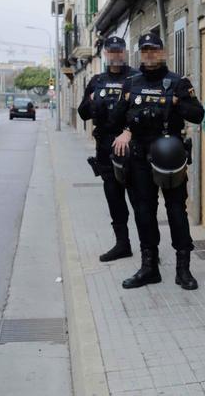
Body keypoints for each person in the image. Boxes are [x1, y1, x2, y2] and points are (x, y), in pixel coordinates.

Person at [111, 32, 204, 290]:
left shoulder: (177, 82)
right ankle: (149, 267)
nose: (149, 54)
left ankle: (183, 269)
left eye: (154, 49)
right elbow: (115, 120)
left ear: (162, 52)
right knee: (143, 211)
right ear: (140, 54)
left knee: (176, 211)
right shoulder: (131, 82)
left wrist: (174, 102)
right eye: (145, 50)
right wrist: (125, 122)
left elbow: (197, 115)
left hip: (169, 155)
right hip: (139, 156)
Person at [77, 36, 137, 262]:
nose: (116, 55)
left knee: (141, 200)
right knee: (114, 198)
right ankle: (123, 245)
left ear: (125, 52)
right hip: (105, 147)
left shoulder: (136, 78)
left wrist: (129, 130)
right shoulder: (96, 80)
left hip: (130, 147)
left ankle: (149, 249)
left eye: (119, 51)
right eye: (111, 52)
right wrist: (92, 100)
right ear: (106, 55)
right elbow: (83, 113)